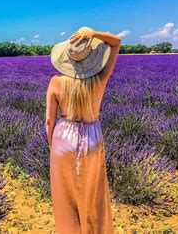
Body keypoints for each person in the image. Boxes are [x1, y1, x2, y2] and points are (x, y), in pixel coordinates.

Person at [45, 26, 121, 234]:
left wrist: (54, 146)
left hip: (63, 138)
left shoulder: (56, 82)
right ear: (91, 58)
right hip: (91, 136)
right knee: (93, 194)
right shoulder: (100, 78)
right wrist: (93, 34)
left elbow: (49, 120)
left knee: (65, 196)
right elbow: (116, 42)